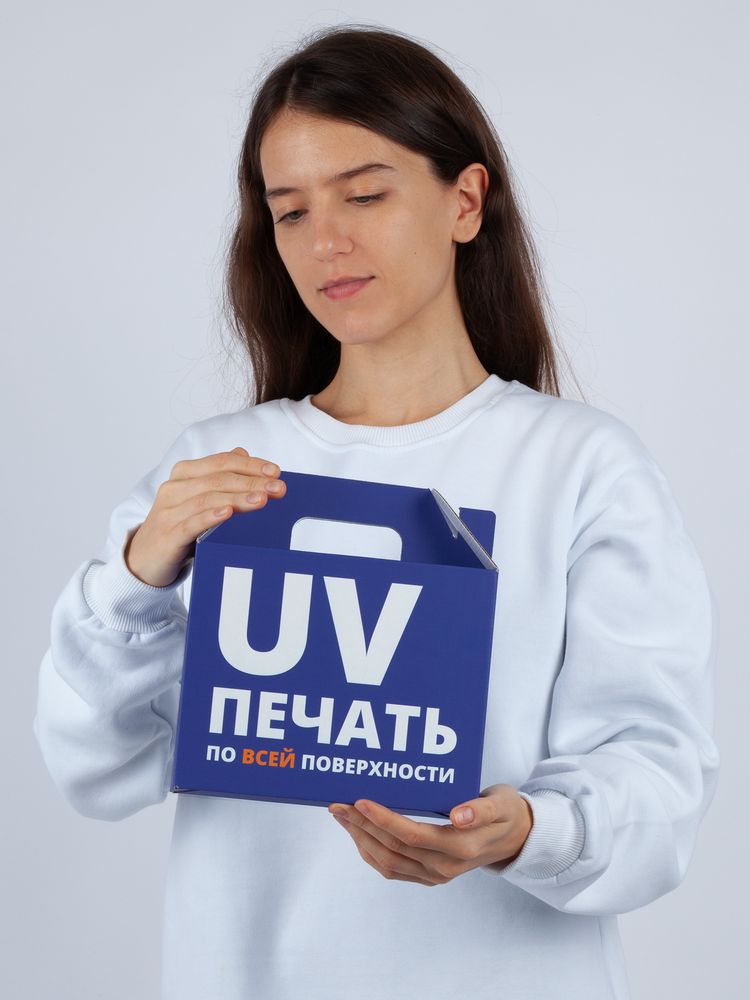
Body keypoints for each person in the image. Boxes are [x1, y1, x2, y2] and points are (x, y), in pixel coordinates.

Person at [33, 23, 720, 1000]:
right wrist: (135, 578)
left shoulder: (580, 468)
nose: (327, 242)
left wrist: (528, 829)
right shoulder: (215, 475)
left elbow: (658, 781)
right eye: (290, 211)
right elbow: (93, 766)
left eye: (364, 194)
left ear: (465, 201)